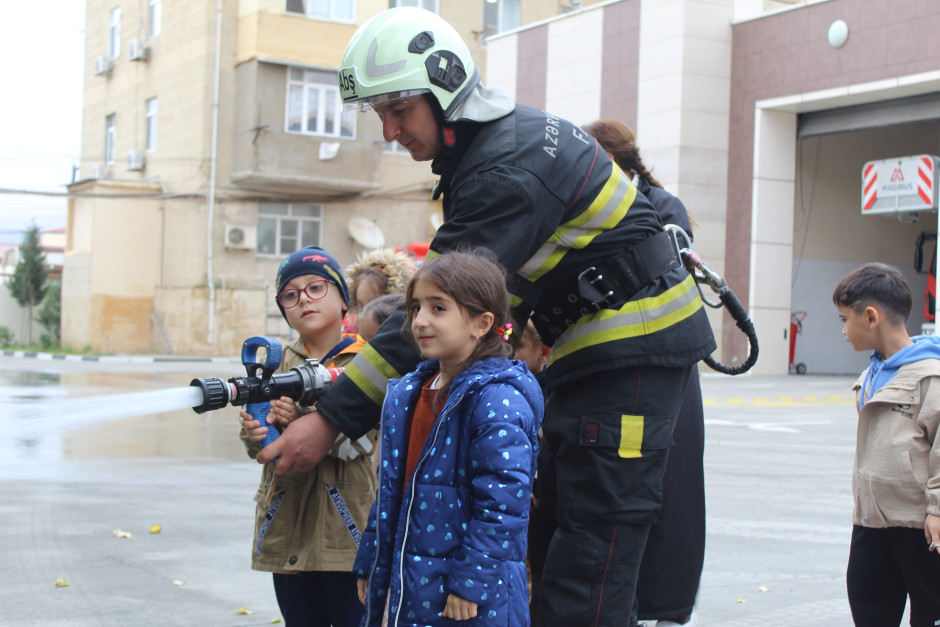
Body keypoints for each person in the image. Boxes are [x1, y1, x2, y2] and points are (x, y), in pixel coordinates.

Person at [258, 8, 716, 626]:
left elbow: (429, 309)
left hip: (628, 360)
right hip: (599, 359)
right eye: (379, 116)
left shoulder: (505, 171)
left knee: (590, 561)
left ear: (445, 91)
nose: (390, 131)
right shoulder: (502, 147)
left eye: (399, 110)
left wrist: (330, 422)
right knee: (556, 543)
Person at [353, 250, 542, 626]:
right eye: (415, 307)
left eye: (438, 308)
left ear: (481, 323)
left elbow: (504, 505)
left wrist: (470, 582)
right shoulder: (408, 392)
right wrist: (371, 558)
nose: (420, 320)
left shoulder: (497, 399)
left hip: (470, 597)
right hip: (410, 584)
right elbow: (390, 490)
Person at [582, 118, 706, 627]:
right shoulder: (584, 211)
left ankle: (664, 607)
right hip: (604, 371)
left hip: (661, 369)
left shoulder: (661, 209)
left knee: (668, 488)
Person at [238, 245, 376, 626]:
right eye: (291, 294)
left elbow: (363, 441)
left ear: (342, 299)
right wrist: (255, 432)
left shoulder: (367, 363)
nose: (304, 300)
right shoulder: (274, 363)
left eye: (316, 287)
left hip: (346, 534)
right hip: (286, 527)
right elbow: (257, 446)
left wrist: (306, 418)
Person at [832, 262, 940, 627]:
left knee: (931, 612)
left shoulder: (930, 378)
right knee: (868, 603)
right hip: (871, 521)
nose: (844, 330)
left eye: (845, 319)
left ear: (871, 317)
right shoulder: (872, 373)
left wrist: (938, 510)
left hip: (921, 527)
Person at [343, 248, 415, 334]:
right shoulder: (350, 339)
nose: (364, 313)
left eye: (374, 305)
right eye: (360, 306)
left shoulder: (406, 340)